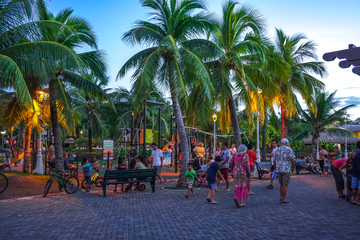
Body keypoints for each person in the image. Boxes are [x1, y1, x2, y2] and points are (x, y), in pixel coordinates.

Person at [274, 138, 295, 204]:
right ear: (286, 143)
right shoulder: (289, 149)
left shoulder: (277, 149)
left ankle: (280, 197)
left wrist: (275, 168)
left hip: (279, 168)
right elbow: (292, 159)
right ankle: (284, 199)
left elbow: (275, 160)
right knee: (285, 184)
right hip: (286, 169)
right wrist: (293, 166)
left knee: (281, 184)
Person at [343, 141, 360, 205]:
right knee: (359, 188)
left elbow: (347, 161)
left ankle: (354, 199)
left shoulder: (353, 153)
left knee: (354, 187)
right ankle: (359, 201)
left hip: (354, 172)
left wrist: (348, 165)